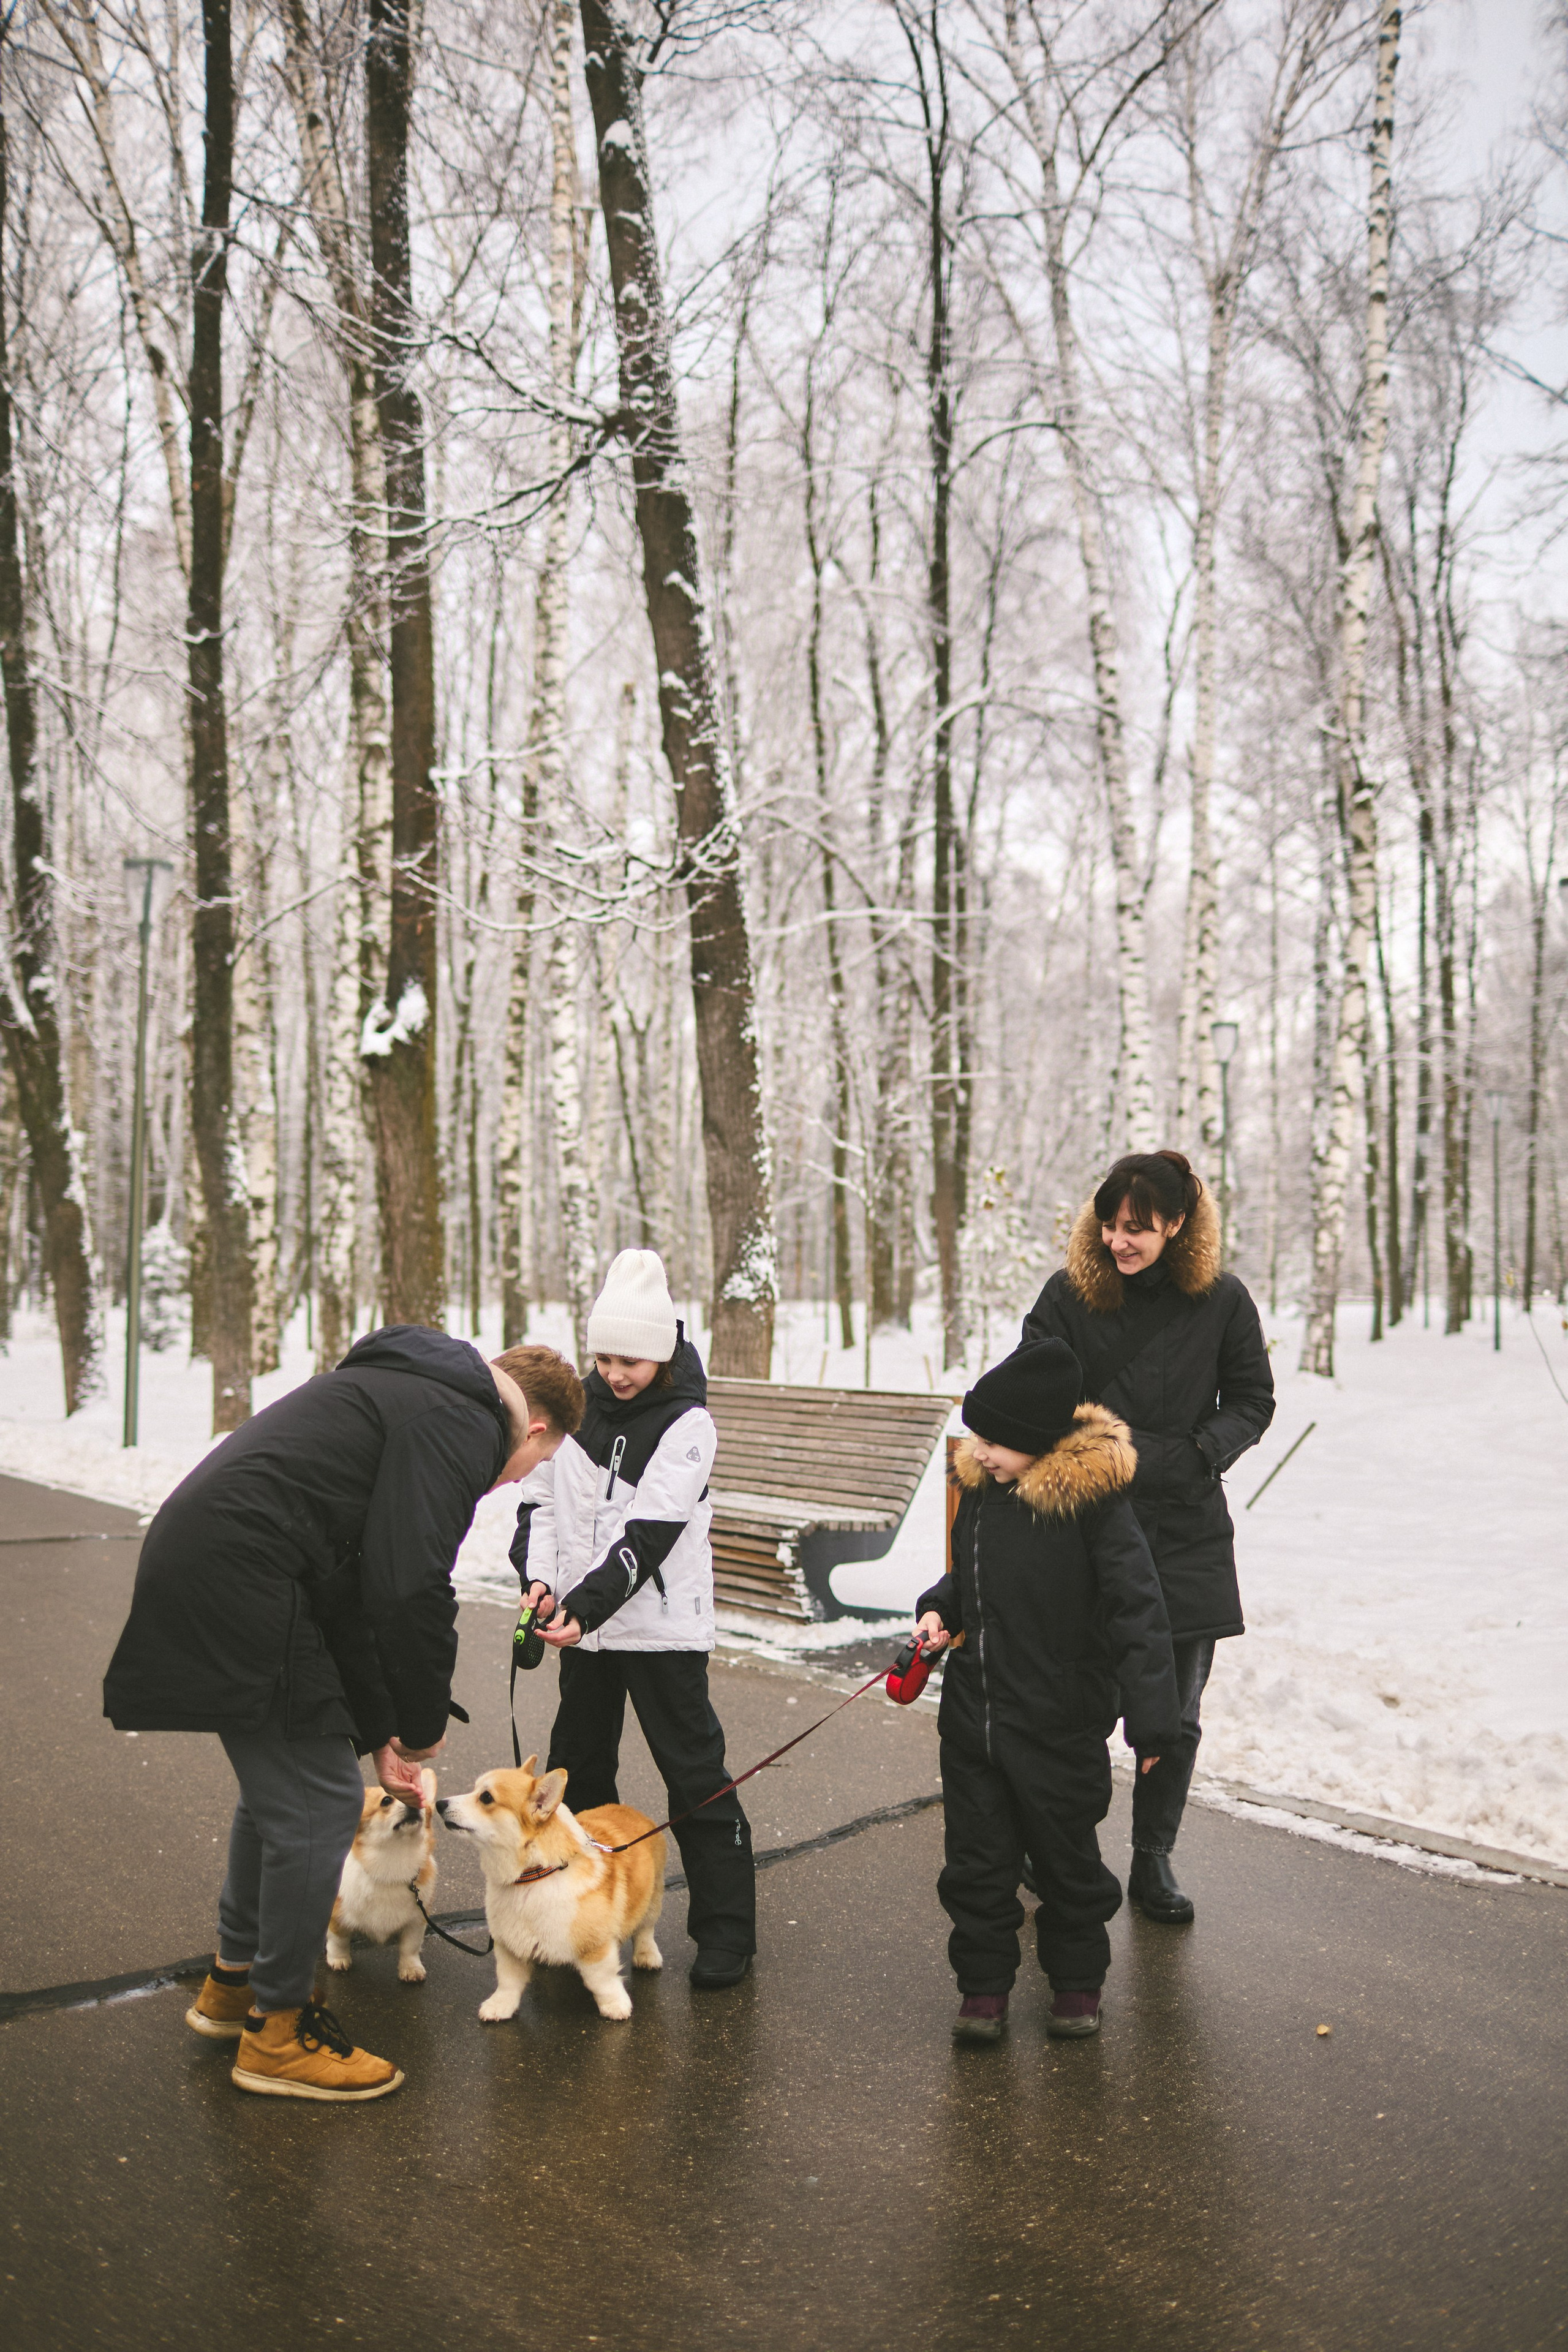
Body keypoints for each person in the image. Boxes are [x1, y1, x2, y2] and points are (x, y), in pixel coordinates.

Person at [103, 1331, 584, 2101]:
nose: (520, 1476)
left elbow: (357, 1588)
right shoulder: (462, 1421)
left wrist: (384, 1732)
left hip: (228, 1557)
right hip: (248, 1570)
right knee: (317, 1805)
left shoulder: (417, 1395)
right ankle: (280, 2034)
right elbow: (409, 1587)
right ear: (536, 1430)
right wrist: (424, 1726)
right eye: (542, 1460)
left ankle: (236, 1985)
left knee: (285, 1795)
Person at [1022, 1148, 1275, 1923]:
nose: (1117, 1241)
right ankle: (1061, 1849)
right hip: (1089, 1526)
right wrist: (1093, 1452)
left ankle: (1153, 1859)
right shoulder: (1068, 1297)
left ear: (1176, 1222)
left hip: (1187, 1530)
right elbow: (1031, 1386)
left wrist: (1197, 1452)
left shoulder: (1224, 1302)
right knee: (1078, 1702)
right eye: (1107, 1223)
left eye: (1136, 1227)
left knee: (1176, 1711)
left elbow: (1253, 1401)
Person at [914, 1337, 1178, 2043]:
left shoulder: (1092, 1508)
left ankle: (1076, 1981)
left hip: (1060, 1720)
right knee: (976, 1863)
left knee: (1066, 1863)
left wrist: (1155, 1723)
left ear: (1039, 1441)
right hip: (975, 1720)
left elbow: (1138, 1609)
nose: (981, 1451)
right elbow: (966, 1580)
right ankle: (983, 1989)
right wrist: (940, 1610)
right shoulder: (983, 1493)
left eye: (998, 1441)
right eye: (978, 1434)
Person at [519, 1249, 756, 1989]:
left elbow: (651, 1532)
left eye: (631, 1359)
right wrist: (539, 1586)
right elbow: (538, 1507)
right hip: (583, 1631)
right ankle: (584, 1914)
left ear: (661, 1352)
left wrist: (583, 1607)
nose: (615, 1372)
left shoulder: (688, 1423)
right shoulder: (576, 1411)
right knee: (580, 1769)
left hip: (660, 1629)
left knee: (694, 1776)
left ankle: (727, 1933)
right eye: (605, 1356)